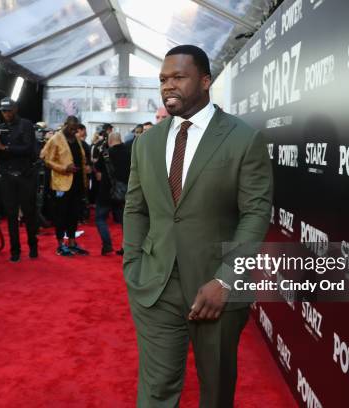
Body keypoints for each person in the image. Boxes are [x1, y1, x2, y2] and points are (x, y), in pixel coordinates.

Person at [123, 45, 273, 407]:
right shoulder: (146, 143)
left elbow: (255, 213)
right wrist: (133, 265)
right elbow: (135, 208)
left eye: (178, 77)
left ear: (205, 81)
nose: (168, 86)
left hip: (215, 287)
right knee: (156, 390)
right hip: (156, 286)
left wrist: (226, 279)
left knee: (216, 391)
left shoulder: (243, 138)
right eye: (162, 79)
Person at [0, 97, 39, 262]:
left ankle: (33, 245)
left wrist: (4, 148)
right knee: (11, 215)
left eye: (8, 110)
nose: (6, 113)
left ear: (15, 109)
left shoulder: (25, 124)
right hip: (7, 177)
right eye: (3, 111)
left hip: (26, 175)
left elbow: (28, 148)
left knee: (29, 213)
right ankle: (15, 251)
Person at [40, 122, 89, 256]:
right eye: (71, 129)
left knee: (74, 214)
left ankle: (72, 243)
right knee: (61, 214)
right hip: (61, 184)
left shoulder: (77, 140)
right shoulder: (56, 138)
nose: (73, 131)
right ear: (66, 125)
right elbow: (45, 158)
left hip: (77, 183)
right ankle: (60, 244)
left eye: (75, 129)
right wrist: (64, 168)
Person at [95, 132, 130, 255]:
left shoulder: (105, 153)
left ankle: (107, 245)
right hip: (124, 192)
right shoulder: (129, 152)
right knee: (124, 221)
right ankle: (126, 247)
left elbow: (98, 170)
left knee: (100, 218)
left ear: (110, 141)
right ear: (120, 140)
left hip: (106, 191)